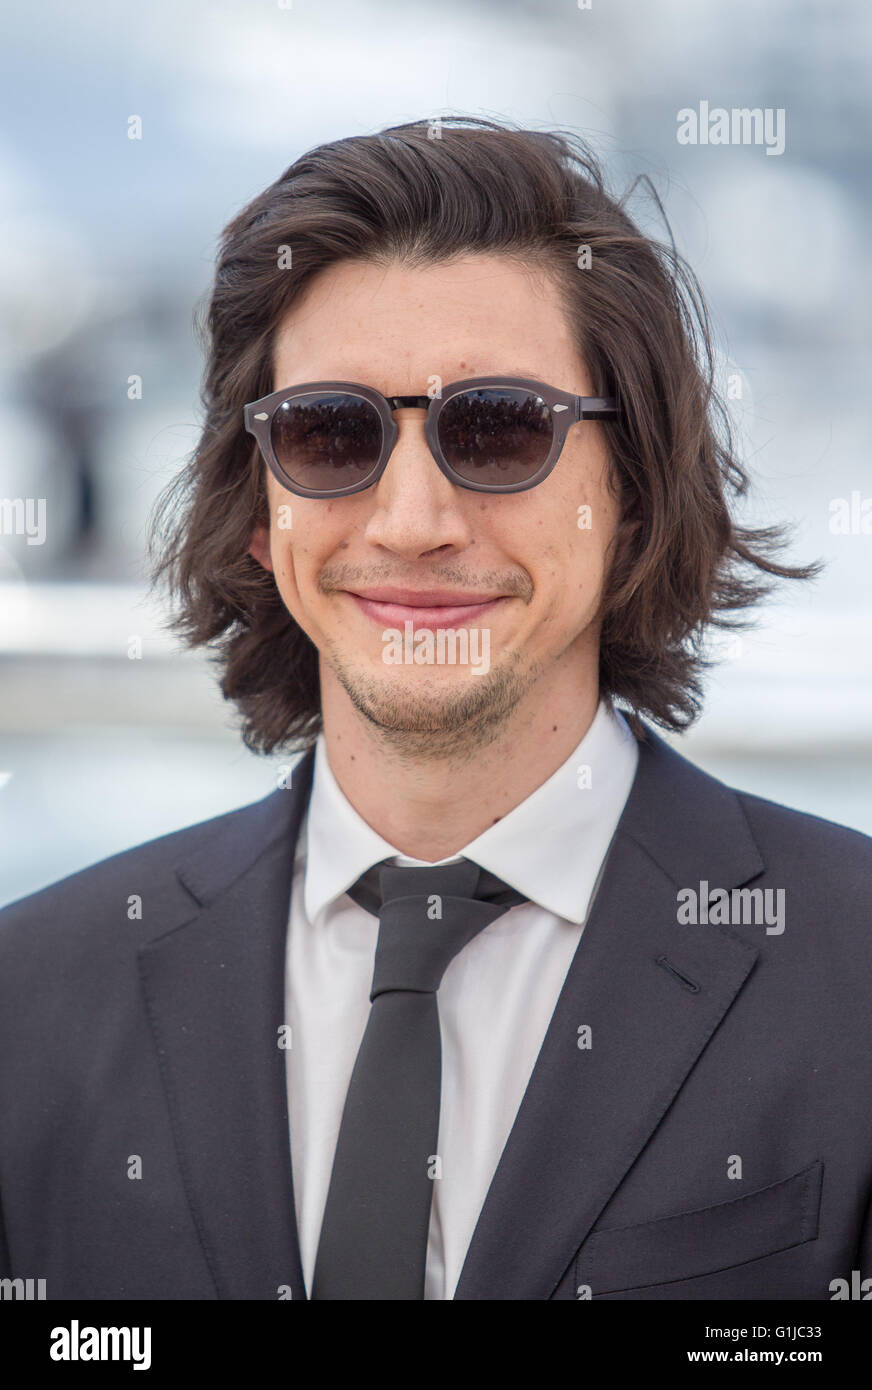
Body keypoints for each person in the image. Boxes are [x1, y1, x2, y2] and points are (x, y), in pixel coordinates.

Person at [1, 116, 870, 1302]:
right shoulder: (30, 997)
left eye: (501, 429)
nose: (411, 520)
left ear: (630, 491)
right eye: (325, 431)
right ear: (259, 509)